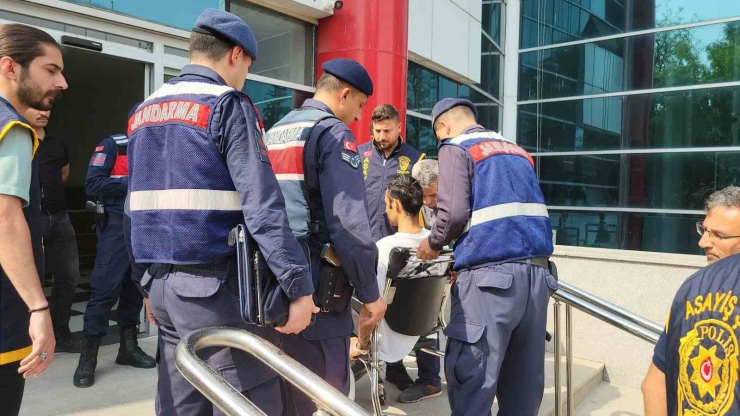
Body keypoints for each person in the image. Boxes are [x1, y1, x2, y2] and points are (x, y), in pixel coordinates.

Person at [127, 9, 317, 415]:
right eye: (248, 66)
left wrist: (146, 282)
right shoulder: (227, 104)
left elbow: (135, 209)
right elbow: (263, 207)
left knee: (182, 403)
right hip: (215, 295)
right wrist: (298, 286)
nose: (245, 76)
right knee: (247, 399)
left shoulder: (143, 111)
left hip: (163, 290)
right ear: (235, 54)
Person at [416, 98, 557, 416]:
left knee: (473, 386)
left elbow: (452, 214)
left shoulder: (456, 146)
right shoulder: (516, 149)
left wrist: (434, 244)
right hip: (537, 280)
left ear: (444, 126)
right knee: (522, 393)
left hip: (491, 285)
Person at [264, 58, 387, 415]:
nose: (360, 117)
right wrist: (370, 293)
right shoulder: (333, 133)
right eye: (360, 105)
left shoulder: (279, 129)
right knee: (331, 398)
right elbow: (348, 226)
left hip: (277, 287)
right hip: (320, 296)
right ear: (345, 94)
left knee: (287, 393)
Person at [0, 23, 67, 416]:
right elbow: (6, 219)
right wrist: (39, 310)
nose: (62, 82)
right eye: (51, 69)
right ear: (10, 67)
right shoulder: (14, 129)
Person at [73, 105, 155, 388]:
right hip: (117, 225)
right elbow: (92, 184)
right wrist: (135, 182)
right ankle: (88, 357)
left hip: (145, 225)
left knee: (135, 288)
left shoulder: (159, 147)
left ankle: (127, 348)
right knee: (105, 289)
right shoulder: (113, 145)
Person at [642, 187, 740, 416]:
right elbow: (654, 384)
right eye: (704, 230)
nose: (703, 242)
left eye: (718, 235)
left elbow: (652, 386)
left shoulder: (691, 289)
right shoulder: (691, 289)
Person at [351, 174, 445, 404]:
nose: (385, 211)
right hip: (424, 325)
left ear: (397, 205)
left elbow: (371, 307)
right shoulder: (436, 246)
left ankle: (354, 368)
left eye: (386, 205)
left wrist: (362, 344)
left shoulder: (385, 248)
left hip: (390, 332)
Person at [23, 108, 84, 354]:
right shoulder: (17, 137)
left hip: (59, 218)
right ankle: (26, 340)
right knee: (28, 279)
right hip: (28, 219)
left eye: (46, 108)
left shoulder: (58, 142)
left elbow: (64, 174)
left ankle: (60, 333)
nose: (43, 112)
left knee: (69, 276)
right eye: (36, 108)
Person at [359, 104, 424, 242]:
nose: (381, 136)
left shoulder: (415, 159)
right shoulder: (359, 154)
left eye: (387, 131)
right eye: (377, 130)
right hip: (363, 240)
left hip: (398, 241)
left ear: (399, 128)